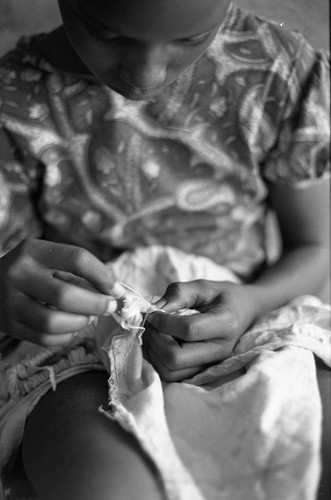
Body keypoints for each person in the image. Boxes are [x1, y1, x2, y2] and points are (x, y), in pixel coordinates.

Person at [0, 0, 329, 499]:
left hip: (248, 320)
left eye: (192, 39)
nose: (146, 77)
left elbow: (315, 246)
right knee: (98, 475)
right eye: (109, 35)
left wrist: (253, 304)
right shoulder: (13, 103)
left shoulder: (274, 73)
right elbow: (16, 270)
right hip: (84, 348)